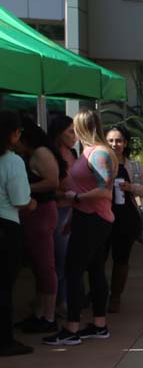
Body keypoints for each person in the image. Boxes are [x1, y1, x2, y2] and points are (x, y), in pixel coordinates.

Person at [44, 110, 116, 347]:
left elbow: (105, 190)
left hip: (94, 218)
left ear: (84, 127)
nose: (73, 133)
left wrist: (75, 197)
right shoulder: (92, 151)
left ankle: (72, 327)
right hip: (88, 217)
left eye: (75, 127)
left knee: (74, 270)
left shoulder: (99, 153)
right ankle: (98, 324)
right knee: (93, 270)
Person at [13, 119, 61, 333]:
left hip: (41, 212)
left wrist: (24, 188)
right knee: (38, 264)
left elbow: (53, 181)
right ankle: (41, 312)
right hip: (34, 213)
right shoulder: (32, 154)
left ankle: (49, 316)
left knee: (45, 264)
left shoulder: (40, 153)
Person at [103, 126, 143, 313]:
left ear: (125, 143)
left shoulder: (133, 166)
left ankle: (115, 296)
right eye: (111, 140)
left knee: (121, 259)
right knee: (98, 258)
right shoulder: (100, 162)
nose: (115, 144)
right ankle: (97, 293)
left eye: (119, 140)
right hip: (102, 216)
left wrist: (131, 187)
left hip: (126, 218)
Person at [1, 111, 33, 356]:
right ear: (13, 134)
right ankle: (5, 340)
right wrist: (32, 204)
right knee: (4, 286)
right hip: (6, 227)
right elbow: (21, 200)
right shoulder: (12, 161)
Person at [48, 114, 77, 313]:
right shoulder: (50, 155)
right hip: (59, 210)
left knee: (69, 258)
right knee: (61, 258)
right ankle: (60, 301)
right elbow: (50, 187)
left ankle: (66, 299)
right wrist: (64, 194)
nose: (75, 135)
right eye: (70, 131)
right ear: (59, 133)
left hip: (74, 209)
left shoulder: (73, 153)